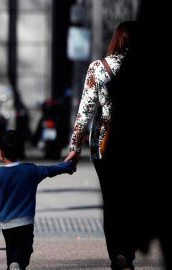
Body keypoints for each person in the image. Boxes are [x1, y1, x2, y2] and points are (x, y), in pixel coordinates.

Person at [65, 21, 138, 270]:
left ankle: (117, 254)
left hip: (105, 146)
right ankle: (128, 251)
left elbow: (85, 111)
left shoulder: (99, 68)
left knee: (111, 200)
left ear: (116, 40)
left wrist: (75, 147)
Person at [0, 130, 74, 270]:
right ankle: (17, 264)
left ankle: (13, 264)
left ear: (1, 153)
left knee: (11, 249)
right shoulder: (31, 170)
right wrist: (67, 166)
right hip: (25, 221)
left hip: (6, 223)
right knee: (25, 250)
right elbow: (51, 170)